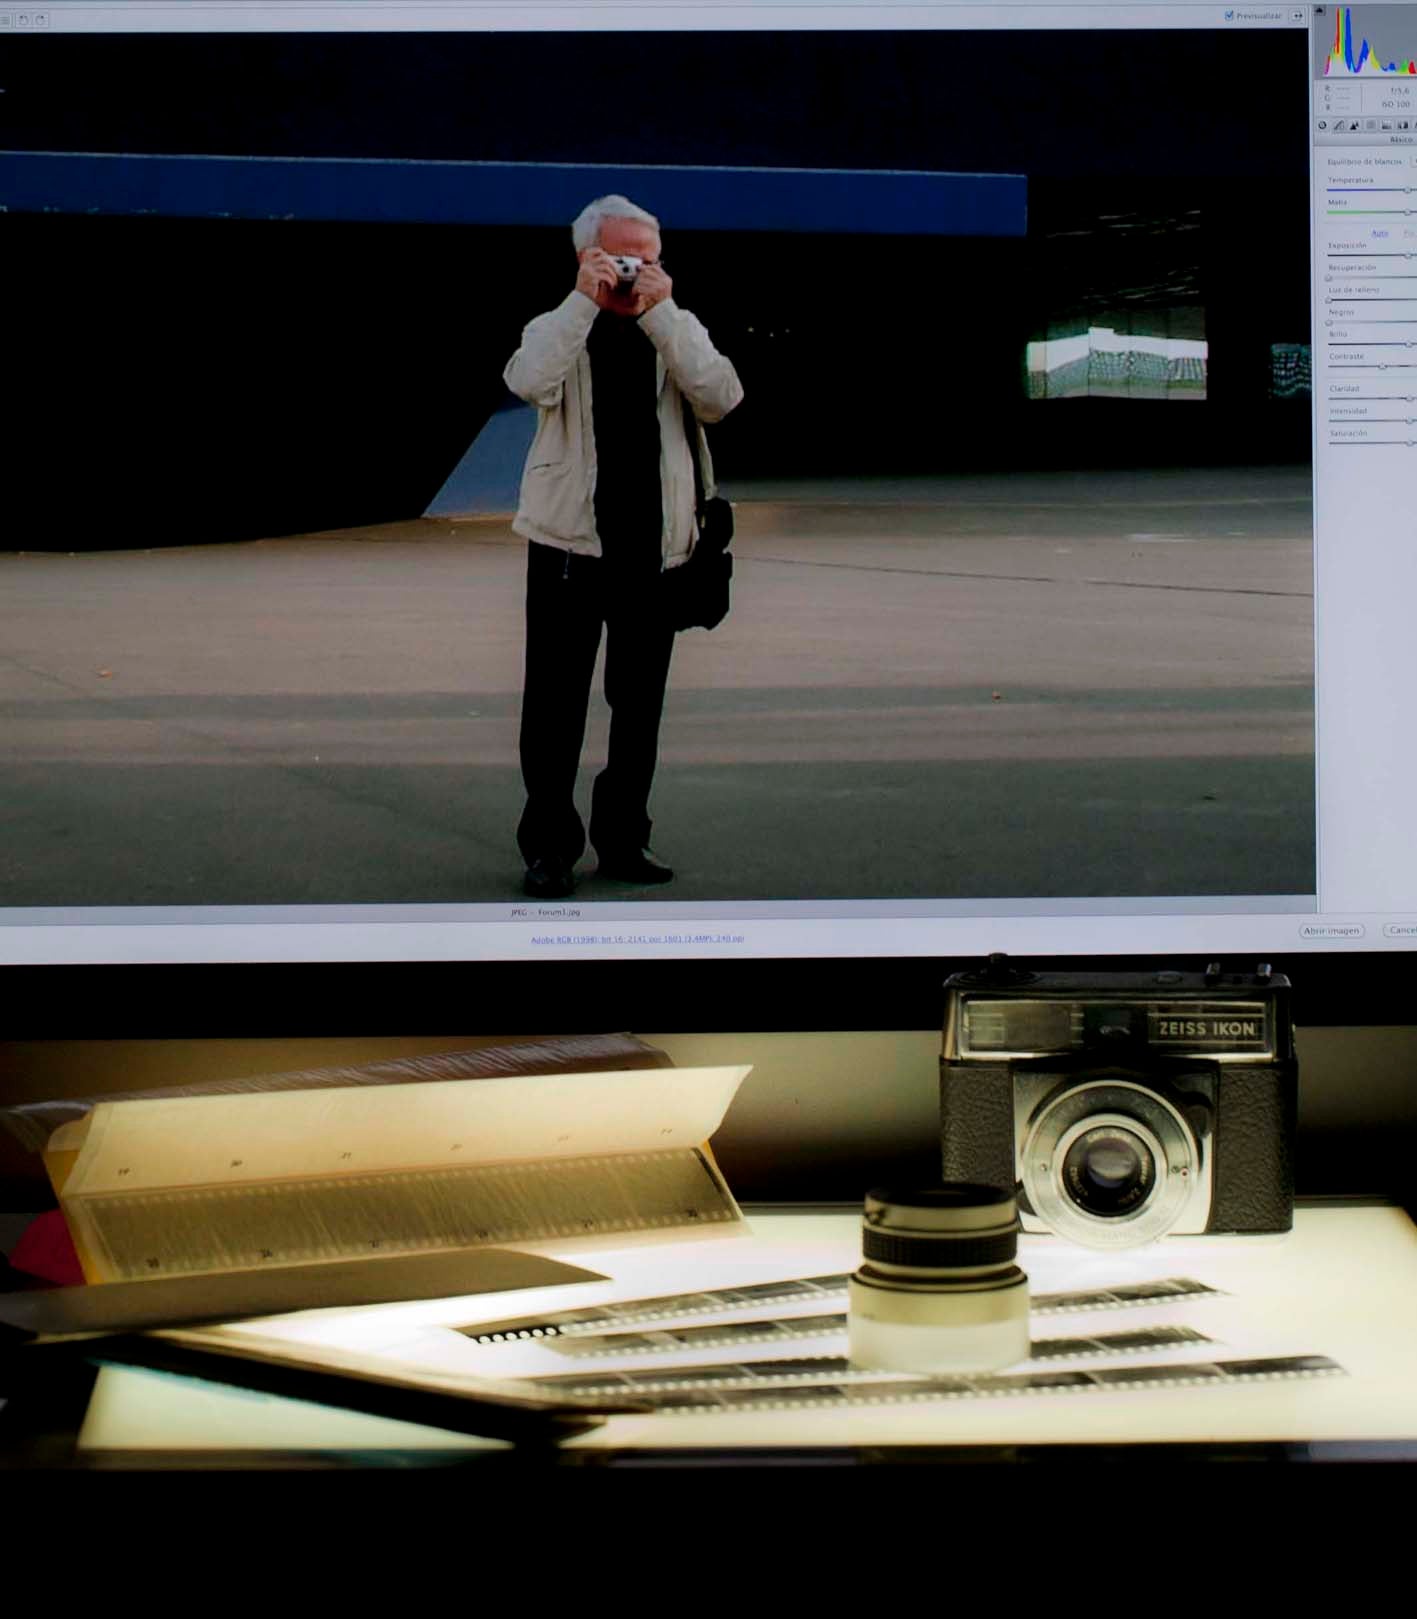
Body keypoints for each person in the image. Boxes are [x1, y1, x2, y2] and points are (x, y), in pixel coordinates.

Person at [504, 194, 744, 900]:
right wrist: (584, 302)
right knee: (552, 709)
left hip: (656, 552)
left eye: (648, 257)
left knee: (638, 707)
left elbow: (721, 396)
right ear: (586, 256)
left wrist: (663, 314)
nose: (635, 269)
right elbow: (526, 380)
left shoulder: (675, 327)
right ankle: (548, 848)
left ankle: (624, 838)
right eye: (620, 255)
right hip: (568, 549)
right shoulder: (559, 326)